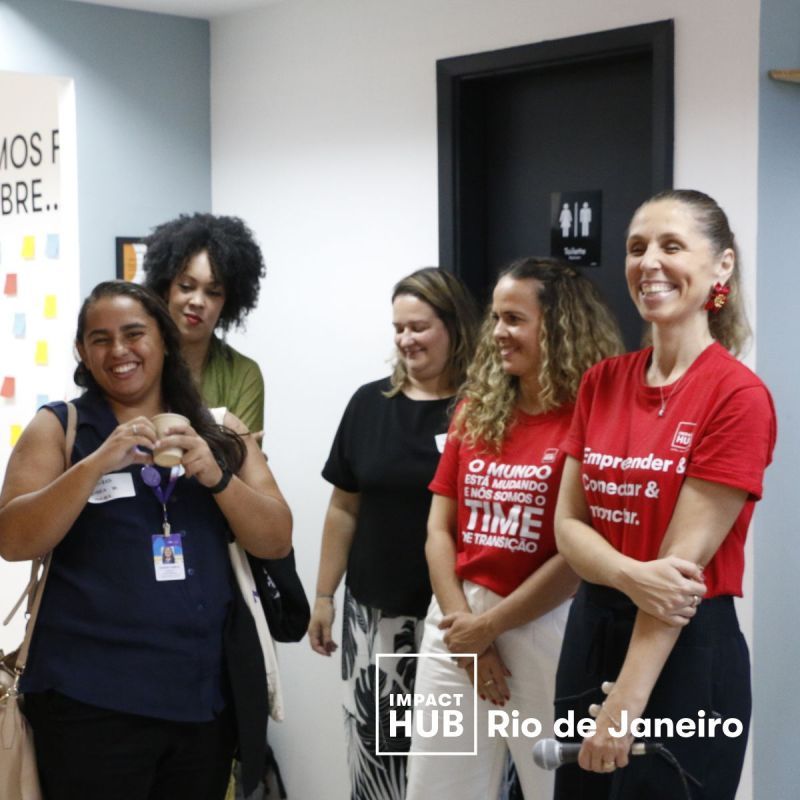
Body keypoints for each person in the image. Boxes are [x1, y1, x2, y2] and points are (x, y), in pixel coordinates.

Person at [0, 281, 292, 800]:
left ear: (164, 341)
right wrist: (94, 465)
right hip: (87, 703)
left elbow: (276, 538)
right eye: (100, 339)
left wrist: (217, 476)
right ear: (82, 351)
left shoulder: (219, 430)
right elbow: (13, 539)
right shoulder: (61, 428)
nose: (119, 350)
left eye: (134, 334)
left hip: (202, 701)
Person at [553, 190, 777, 800]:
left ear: (722, 265)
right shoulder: (602, 382)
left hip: (683, 651)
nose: (648, 262)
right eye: (636, 248)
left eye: (671, 245)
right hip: (591, 630)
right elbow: (567, 526)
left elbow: (677, 579)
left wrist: (625, 704)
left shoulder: (737, 397)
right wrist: (628, 573)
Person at [405, 258, 624, 799]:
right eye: (496, 318)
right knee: (436, 789)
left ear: (559, 327)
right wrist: (467, 632)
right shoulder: (476, 410)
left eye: (515, 319)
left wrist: (491, 627)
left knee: (555, 785)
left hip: (545, 622)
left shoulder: (591, 419)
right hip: (456, 619)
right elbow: (438, 530)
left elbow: (578, 551)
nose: (499, 332)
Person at [307, 267, 480, 800]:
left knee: (453, 768)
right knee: (380, 769)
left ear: (453, 327)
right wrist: (323, 595)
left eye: (419, 327)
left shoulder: (483, 409)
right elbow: (343, 508)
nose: (406, 340)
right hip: (377, 617)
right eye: (399, 328)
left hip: (459, 617)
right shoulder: (369, 404)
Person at [143, 213, 266, 433]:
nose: (197, 302)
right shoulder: (138, 360)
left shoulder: (244, 374)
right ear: (166, 289)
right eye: (186, 287)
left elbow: (246, 454)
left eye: (213, 292)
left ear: (227, 302)